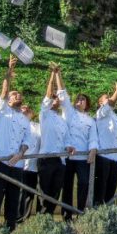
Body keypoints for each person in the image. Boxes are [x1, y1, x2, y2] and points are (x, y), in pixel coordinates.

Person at [0, 56, 32, 230]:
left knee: (14, 198)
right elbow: (4, 92)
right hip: (0, 160)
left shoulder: (24, 119)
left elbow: (27, 140)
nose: (17, 96)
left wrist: (20, 154)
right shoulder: (3, 110)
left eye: (19, 95)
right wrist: (8, 71)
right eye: (15, 95)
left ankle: (10, 230)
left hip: (17, 163)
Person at [56, 68, 98, 220]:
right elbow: (62, 93)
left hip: (82, 158)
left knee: (84, 183)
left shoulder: (90, 120)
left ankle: (80, 212)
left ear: (87, 104)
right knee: (66, 186)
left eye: (82, 99)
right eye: (78, 99)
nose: (79, 101)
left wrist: (93, 151)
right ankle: (66, 214)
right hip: (67, 157)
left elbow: (93, 138)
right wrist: (57, 74)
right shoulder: (69, 112)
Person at [37, 66, 69, 216]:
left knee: (56, 192)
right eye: (54, 98)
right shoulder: (45, 113)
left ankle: (48, 218)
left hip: (60, 160)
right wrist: (52, 75)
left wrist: (69, 147)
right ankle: (41, 220)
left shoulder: (62, 119)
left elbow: (65, 139)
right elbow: (48, 94)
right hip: (47, 158)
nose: (56, 99)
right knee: (44, 192)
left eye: (57, 98)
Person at [94, 83, 117, 205]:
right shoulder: (101, 113)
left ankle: (109, 211)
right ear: (101, 103)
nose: (110, 98)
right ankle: (97, 210)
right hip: (104, 156)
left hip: (116, 157)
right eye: (106, 97)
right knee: (101, 186)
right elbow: (111, 103)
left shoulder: (116, 117)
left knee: (111, 187)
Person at [18, 103, 40, 220]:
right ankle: (17, 218)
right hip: (20, 165)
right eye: (23, 108)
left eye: (28, 108)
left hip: (34, 165)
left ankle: (26, 218)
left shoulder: (38, 126)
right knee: (20, 192)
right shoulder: (16, 124)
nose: (25, 110)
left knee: (30, 194)